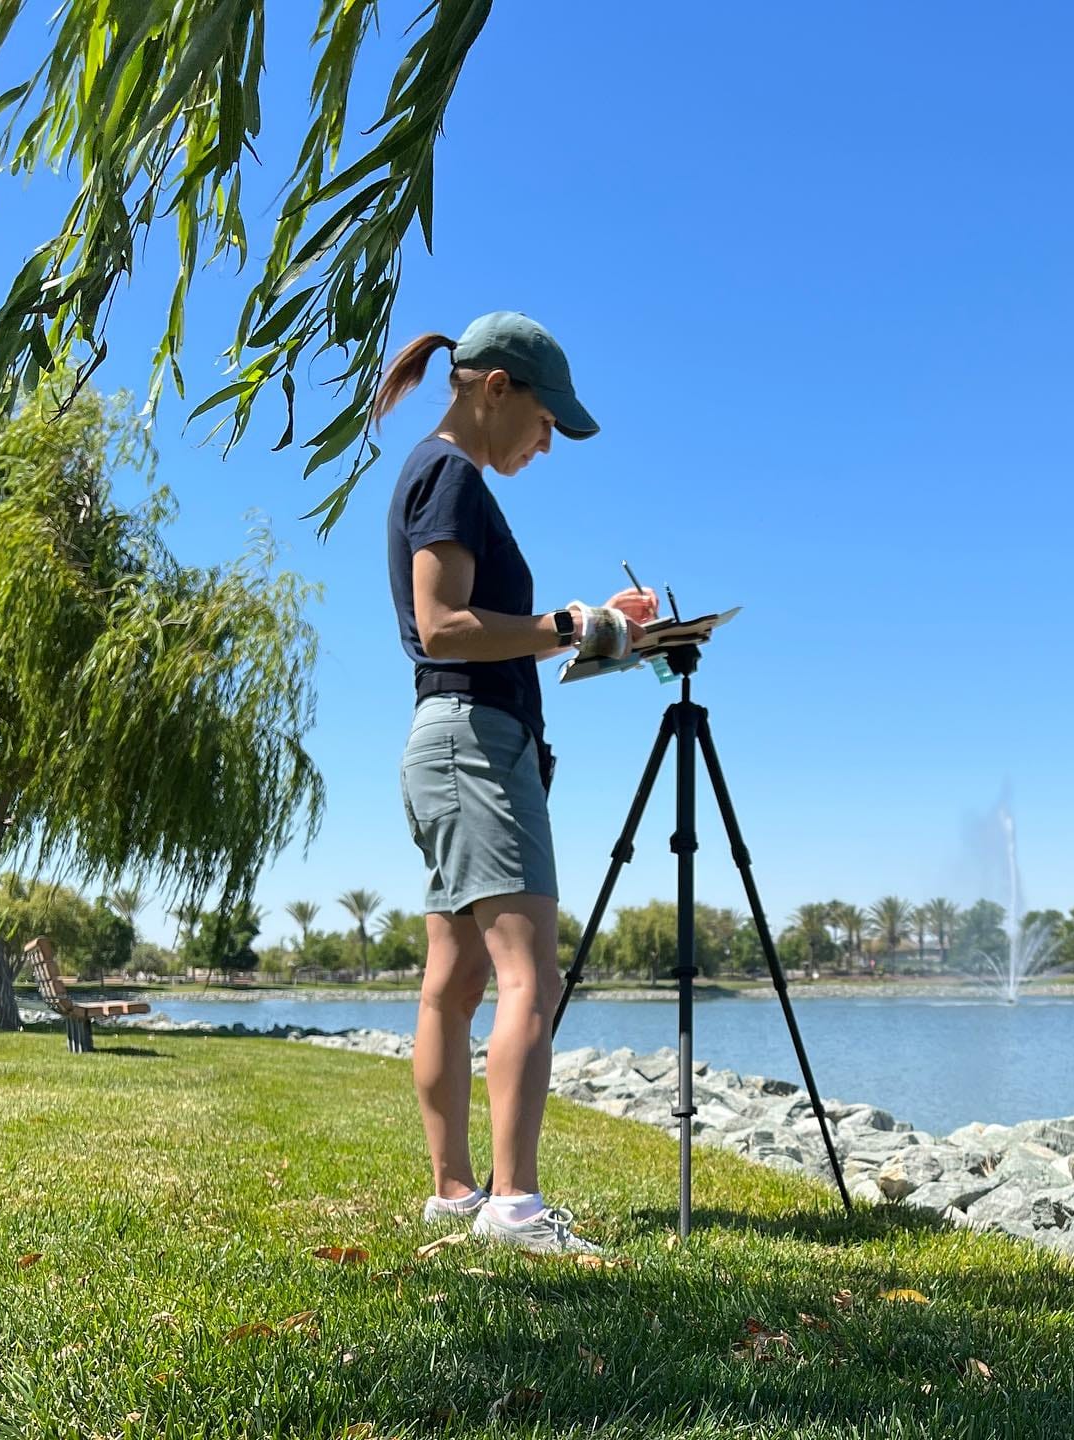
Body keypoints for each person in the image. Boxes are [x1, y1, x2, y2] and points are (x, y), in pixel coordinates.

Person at [379, 311, 657, 1254]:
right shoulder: (450, 475)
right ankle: (516, 1210)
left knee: (451, 984)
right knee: (526, 973)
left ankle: (458, 1195)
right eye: (544, 423)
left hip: (449, 742)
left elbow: (469, 630)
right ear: (494, 388)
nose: (546, 444)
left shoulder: (440, 475)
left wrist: (587, 629)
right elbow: (445, 625)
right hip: (473, 743)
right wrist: (563, 625)